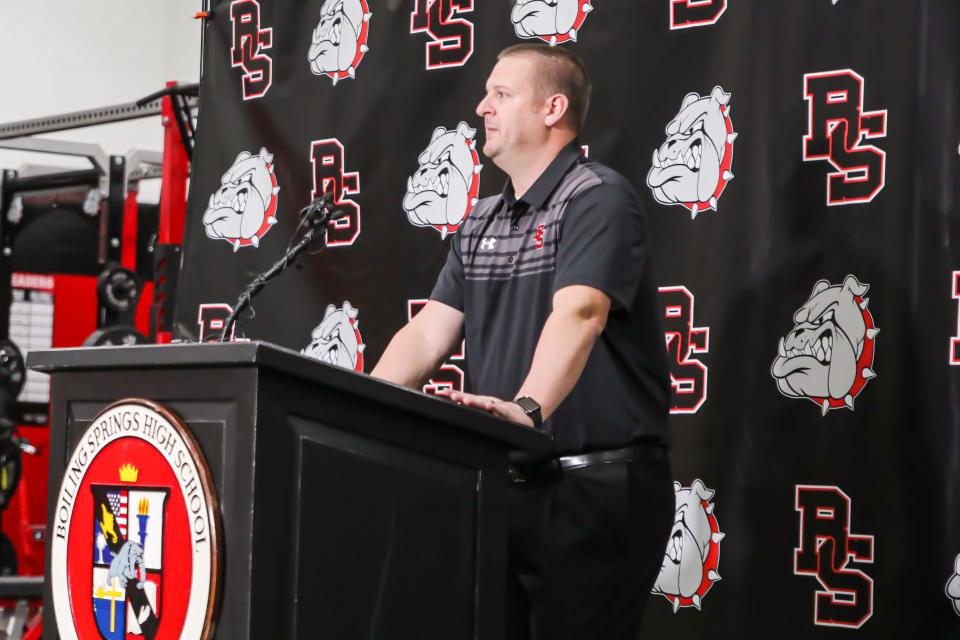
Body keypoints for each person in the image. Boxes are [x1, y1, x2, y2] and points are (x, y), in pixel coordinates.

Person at [371, 43, 673, 640]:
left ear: (553, 108)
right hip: (505, 487)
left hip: (593, 491)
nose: (482, 107)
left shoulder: (597, 198)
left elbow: (581, 311)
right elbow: (429, 331)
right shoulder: (479, 219)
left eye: (502, 95)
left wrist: (527, 410)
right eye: (486, 94)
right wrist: (363, 402)